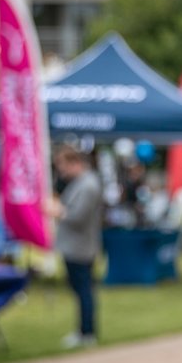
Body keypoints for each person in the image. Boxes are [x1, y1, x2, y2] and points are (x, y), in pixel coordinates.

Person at [48, 145, 103, 349]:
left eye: (62, 165)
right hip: (75, 246)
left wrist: (58, 211)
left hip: (81, 247)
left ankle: (87, 332)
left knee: (84, 291)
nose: (61, 171)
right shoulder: (81, 183)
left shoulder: (88, 185)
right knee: (81, 290)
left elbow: (78, 217)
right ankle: (84, 330)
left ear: (74, 163)